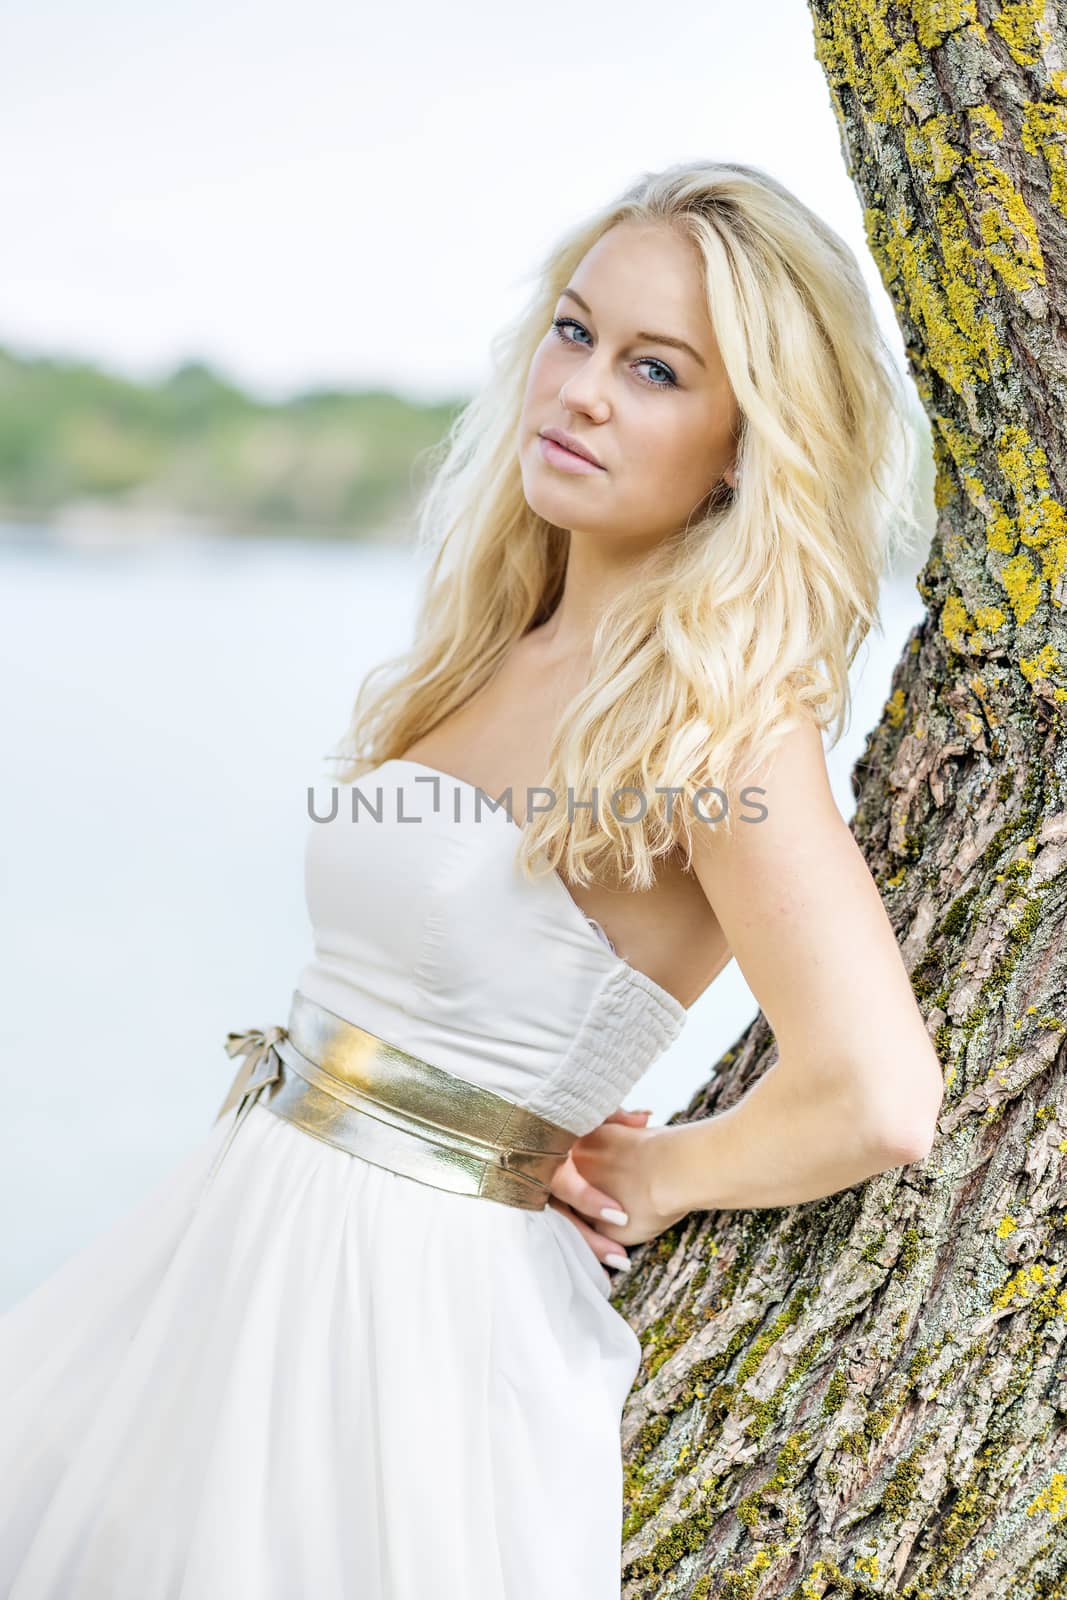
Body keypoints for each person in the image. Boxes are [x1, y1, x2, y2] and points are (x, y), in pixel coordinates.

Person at [0, 159, 944, 1599]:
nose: (579, 393)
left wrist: (664, 1173)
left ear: (747, 443)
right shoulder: (501, 640)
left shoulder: (724, 718)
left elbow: (879, 1096)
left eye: (656, 371)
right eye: (574, 334)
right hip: (244, 1241)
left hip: (412, 1332)